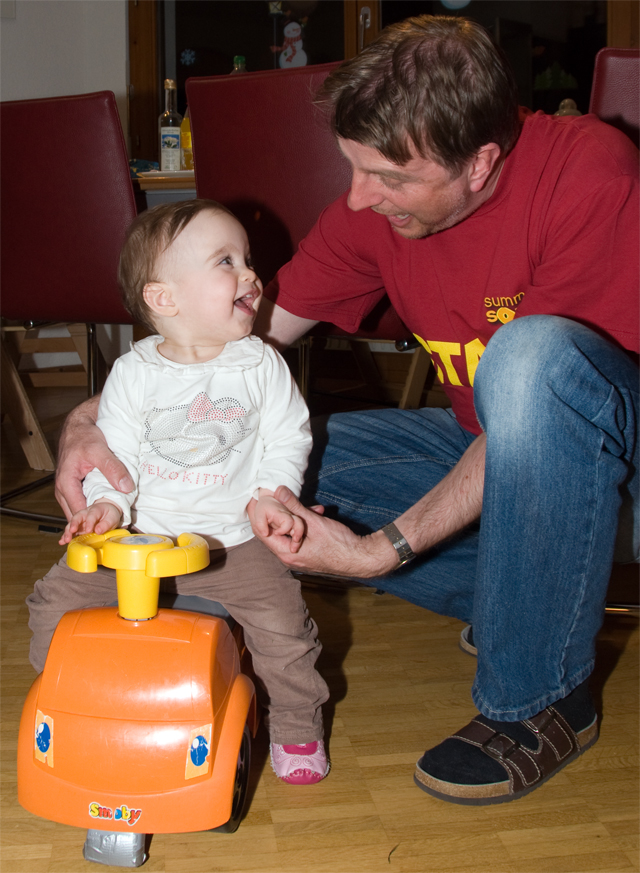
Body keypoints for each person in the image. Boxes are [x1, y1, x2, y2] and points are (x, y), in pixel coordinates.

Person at [54, 16, 638, 806]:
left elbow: (547, 407)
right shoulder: (375, 212)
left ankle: (540, 696)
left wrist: (381, 551)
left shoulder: (587, 173)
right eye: (353, 168)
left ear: (480, 161)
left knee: (529, 357)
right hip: (487, 450)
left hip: (619, 471)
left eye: (388, 176)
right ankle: (525, 602)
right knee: (262, 470)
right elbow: (228, 343)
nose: (360, 197)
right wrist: (91, 420)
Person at [27, 199, 330, 785]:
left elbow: (288, 437)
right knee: (53, 603)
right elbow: (114, 452)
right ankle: (68, 702)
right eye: (226, 261)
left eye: (247, 259)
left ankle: (297, 726)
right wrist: (106, 505)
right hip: (134, 541)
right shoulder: (133, 373)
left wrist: (272, 495)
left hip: (233, 542)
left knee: (285, 628)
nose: (250, 273)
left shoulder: (262, 366)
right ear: (164, 298)